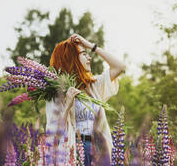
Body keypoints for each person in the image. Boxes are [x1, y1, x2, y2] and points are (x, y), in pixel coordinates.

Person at [46, 34, 126, 165]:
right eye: (84, 54)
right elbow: (53, 135)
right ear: (71, 58)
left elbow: (120, 66)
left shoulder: (92, 86)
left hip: (100, 149)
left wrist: (89, 45)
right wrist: (67, 105)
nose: (89, 57)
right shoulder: (56, 93)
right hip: (76, 150)